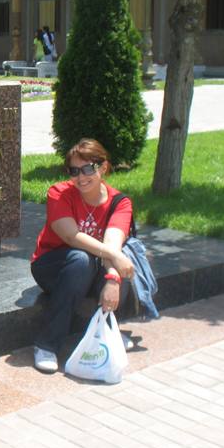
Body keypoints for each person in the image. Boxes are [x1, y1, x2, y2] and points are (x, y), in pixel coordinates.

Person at [30, 138, 135, 373]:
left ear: (104, 167)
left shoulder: (120, 202)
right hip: (52, 266)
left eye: (89, 168)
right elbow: (70, 236)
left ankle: (108, 333)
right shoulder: (59, 193)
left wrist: (112, 278)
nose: (81, 177)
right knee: (81, 259)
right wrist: (113, 261)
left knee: (120, 266)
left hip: (92, 265)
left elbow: (112, 244)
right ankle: (46, 344)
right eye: (74, 171)